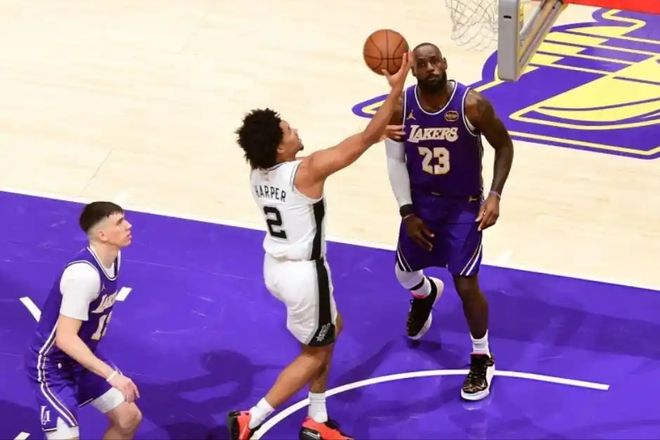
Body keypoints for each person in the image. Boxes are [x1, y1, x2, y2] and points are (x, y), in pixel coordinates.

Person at [227, 53, 412, 440]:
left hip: (275, 268)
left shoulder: (258, 170)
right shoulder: (306, 172)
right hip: (304, 275)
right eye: (287, 130)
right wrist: (396, 88)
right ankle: (252, 418)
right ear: (279, 149)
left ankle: (317, 418)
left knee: (332, 329)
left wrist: (375, 134)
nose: (294, 129)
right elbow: (359, 141)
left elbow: (357, 143)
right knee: (314, 354)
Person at [384, 42, 514, 401]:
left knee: (466, 283)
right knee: (404, 273)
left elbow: (504, 146)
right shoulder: (401, 107)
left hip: (462, 206)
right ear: (413, 70)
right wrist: (407, 211)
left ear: (444, 63)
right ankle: (425, 294)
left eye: (434, 61)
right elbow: (394, 161)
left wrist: (495, 194)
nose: (430, 68)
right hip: (422, 203)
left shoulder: (472, 104)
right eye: (422, 64)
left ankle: (481, 356)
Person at [24, 201, 142, 439]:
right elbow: (65, 339)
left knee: (128, 418)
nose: (129, 225)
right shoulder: (84, 276)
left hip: (84, 355)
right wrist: (112, 376)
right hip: (53, 365)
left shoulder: (113, 257)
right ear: (103, 235)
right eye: (120, 222)